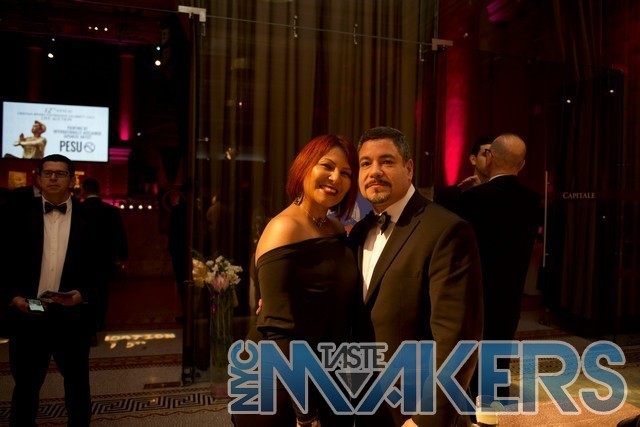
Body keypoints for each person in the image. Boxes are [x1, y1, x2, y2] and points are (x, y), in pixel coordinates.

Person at [349, 126, 483, 427]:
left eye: (387, 161)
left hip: (415, 411)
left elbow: (459, 340)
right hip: (366, 406)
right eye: (366, 163)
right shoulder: (358, 232)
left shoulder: (446, 230)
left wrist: (427, 419)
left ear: (409, 169)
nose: (374, 171)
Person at [233, 134, 360, 427]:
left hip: (324, 371)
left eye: (346, 173)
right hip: (279, 381)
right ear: (304, 167)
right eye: (326, 166)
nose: (335, 178)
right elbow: (279, 331)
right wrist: (306, 413)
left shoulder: (335, 228)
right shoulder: (284, 228)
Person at [1, 154, 106, 426]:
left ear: (72, 180)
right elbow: (4, 261)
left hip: (71, 315)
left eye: (60, 173)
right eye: (47, 173)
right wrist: (13, 297)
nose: (53, 178)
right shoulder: (17, 216)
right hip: (29, 311)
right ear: (38, 178)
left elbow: (101, 268)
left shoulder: (92, 219)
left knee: (77, 384)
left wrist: (83, 294)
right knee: (25, 386)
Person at [459, 133, 541, 398]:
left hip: (476, 292)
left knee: (471, 355)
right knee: (500, 353)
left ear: (491, 158)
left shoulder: (473, 198)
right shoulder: (532, 200)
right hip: (511, 292)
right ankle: (496, 398)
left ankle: (473, 401)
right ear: (522, 164)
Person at [81, 177, 128, 334]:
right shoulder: (111, 210)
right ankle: (99, 322)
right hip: (105, 257)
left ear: (84, 190)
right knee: (102, 291)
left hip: (83, 258)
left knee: (84, 291)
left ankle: (88, 323)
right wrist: (123, 256)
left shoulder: (78, 209)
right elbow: (120, 234)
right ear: (98, 190)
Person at [434, 136, 493, 212]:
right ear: (473, 159)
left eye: (494, 156)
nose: (490, 160)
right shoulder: (447, 195)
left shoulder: (501, 197)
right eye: (486, 155)